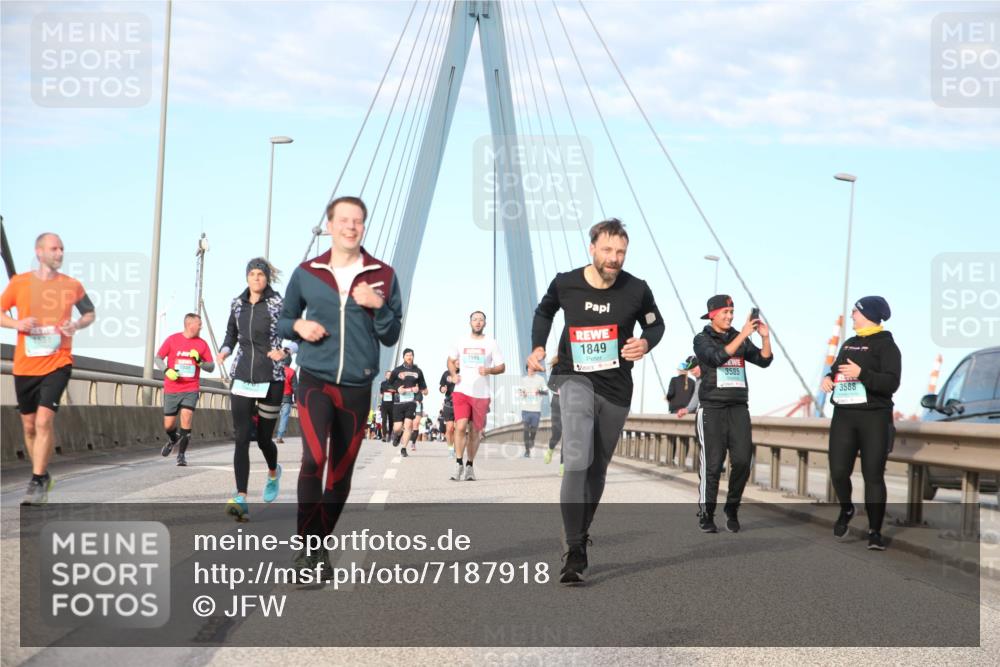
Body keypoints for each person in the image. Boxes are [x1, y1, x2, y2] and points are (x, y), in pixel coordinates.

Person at [527, 219, 664, 584]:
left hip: (616, 387)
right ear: (592, 248)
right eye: (607, 250)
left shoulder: (637, 289)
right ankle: (573, 550)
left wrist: (646, 342)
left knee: (597, 468)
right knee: (576, 460)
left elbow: (655, 324)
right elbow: (544, 311)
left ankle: (580, 533)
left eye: (620, 252)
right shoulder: (566, 283)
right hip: (574, 379)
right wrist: (538, 345)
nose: (614, 258)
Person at [279, 195, 403, 572]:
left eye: (358, 221)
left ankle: (319, 545)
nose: (351, 226)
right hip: (315, 378)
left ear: (363, 227)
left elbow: (391, 334)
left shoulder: (383, 274)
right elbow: (284, 320)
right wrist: (298, 326)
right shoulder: (307, 272)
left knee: (340, 471)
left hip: (357, 385)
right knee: (314, 459)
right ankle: (305, 549)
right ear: (329, 226)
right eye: (344, 220)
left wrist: (378, 305)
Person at [2, 233, 95, 505]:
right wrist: (16, 325)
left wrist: (76, 325)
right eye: (54, 248)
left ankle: (36, 479)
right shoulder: (20, 283)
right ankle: (41, 476)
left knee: (43, 421)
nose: (59, 253)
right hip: (25, 365)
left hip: (59, 361)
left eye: (62, 248)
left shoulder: (71, 285)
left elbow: (89, 312)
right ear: (39, 252)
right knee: (29, 426)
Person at [820, 296, 901, 551]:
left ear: (868, 314)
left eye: (855, 311)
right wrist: (828, 378)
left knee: (873, 476)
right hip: (844, 416)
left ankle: (875, 532)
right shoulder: (850, 344)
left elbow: (891, 383)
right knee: (839, 471)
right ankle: (847, 508)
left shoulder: (887, 346)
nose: (852, 315)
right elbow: (835, 370)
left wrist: (862, 374)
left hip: (874, 417)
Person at [692, 294, 773, 534]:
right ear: (712, 315)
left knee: (742, 461)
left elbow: (764, 360)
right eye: (725, 313)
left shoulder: (739, 337)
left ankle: (732, 507)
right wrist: (743, 335)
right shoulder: (701, 339)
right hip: (712, 409)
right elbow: (717, 358)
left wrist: (765, 337)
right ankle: (707, 513)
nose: (730, 317)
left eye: (732, 312)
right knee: (713, 465)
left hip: (738, 408)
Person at [218, 258, 288, 521]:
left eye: (261, 274)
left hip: (271, 376)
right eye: (253, 274)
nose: (256, 278)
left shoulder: (277, 304)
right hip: (242, 377)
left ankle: (273, 471)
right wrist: (225, 350)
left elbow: (295, 335)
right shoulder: (237, 304)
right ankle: (241, 497)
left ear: (267, 278)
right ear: (247, 277)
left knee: (263, 439)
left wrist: (285, 351)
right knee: (241, 436)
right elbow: (231, 334)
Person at [448, 311, 506, 482]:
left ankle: (469, 466)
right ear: (470, 322)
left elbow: (502, 367)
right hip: (462, 390)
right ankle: (458, 463)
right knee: (460, 427)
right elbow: (450, 360)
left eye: (481, 320)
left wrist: (489, 370)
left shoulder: (491, 343)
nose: (478, 322)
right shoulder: (461, 341)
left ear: (485, 323)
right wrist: (453, 374)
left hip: (481, 393)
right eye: (475, 319)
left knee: (475, 431)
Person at [156, 313, 215, 465]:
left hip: (191, 388)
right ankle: (173, 438)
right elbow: (158, 358)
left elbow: (211, 367)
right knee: (168, 425)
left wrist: (199, 362)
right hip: (172, 388)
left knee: (187, 417)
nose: (201, 326)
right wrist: (166, 370)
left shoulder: (202, 344)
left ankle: (181, 456)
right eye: (199, 324)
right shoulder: (172, 339)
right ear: (190, 325)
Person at [388, 348, 428, 457]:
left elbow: (423, 387)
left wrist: (421, 390)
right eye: (407, 355)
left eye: (411, 355)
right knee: (397, 427)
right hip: (398, 401)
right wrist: (397, 389)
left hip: (411, 402)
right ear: (403, 357)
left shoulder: (418, 371)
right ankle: (398, 434)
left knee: (409, 425)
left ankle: (404, 448)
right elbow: (389, 384)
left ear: (413, 357)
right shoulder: (397, 370)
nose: (409, 357)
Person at [518, 363, 549, 457]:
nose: (530, 371)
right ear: (527, 369)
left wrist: (538, 391)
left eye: (532, 369)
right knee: (526, 430)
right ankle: (527, 451)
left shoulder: (540, 379)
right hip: (525, 409)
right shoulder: (523, 380)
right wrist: (522, 393)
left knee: (534, 429)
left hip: (536, 409)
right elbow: (520, 391)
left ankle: (532, 440)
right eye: (529, 369)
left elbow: (546, 392)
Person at [543, 356, 564, 475]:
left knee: (568, 435)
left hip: (572, 404)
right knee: (557, 433)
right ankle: (551, 449)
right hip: (557, 402)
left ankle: (563, 465)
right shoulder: (557, 367)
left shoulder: (577, 367)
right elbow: (551, 384)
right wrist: (560, 390)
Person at [275, 351, 298, 443]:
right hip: (286, 398)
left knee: (271, 416)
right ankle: (279, 437)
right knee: (284, 417)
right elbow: (295, 388)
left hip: (275, 397)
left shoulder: (276, 369)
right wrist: (296, 399)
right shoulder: (292, 372)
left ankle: (266, 435)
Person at [439, 367, 457, 455]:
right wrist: (442, 389)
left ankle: (457, 446)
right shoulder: (446, 373)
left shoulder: (464, 372)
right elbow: (441, 387)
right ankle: (451, 448)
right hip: (449, 403)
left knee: (458, 428)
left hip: (461, 404)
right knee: (449, 429)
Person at [378, 371, 395, 442]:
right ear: (385, 376)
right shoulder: (383, 383)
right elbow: (381, 392)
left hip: (392, 404)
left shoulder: (394, 383)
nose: (389, 376)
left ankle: (390, 434)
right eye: (388, 375)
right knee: (384, 420)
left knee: (391, 421)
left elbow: (397, 391)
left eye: (390, 375)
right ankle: (384, 436)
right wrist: (381, 395)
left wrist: (393, 390)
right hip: (384, 404)